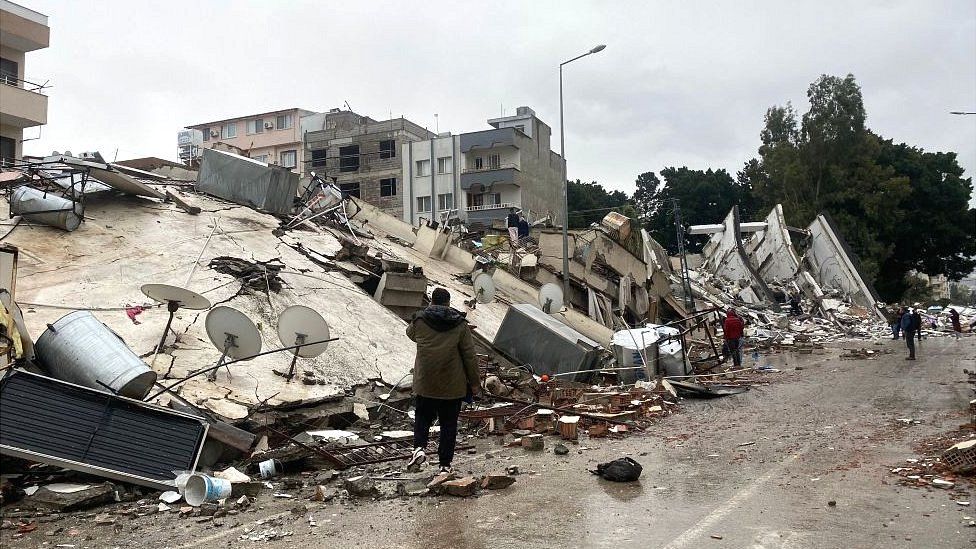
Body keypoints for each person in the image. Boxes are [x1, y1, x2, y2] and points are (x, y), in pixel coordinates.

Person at [405, 288, 480, 473]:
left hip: (426, 383)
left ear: (431, 301)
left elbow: (410, 334)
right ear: (448, 303)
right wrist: (475, 384)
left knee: (422, 417)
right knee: (449, 424)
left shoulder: (419, 321)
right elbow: (470, 356)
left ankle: (419, 448)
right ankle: (444, 466)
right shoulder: (460, 325)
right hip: (452, 386)